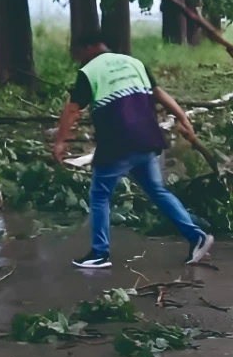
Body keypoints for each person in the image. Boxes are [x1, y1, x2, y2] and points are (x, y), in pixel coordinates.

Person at [52, 33, 214, 269]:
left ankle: (99, 253)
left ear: (89, 47)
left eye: (78, 52)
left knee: (99, 195)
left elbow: (72, 109)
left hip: (117, 142)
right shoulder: (135, 63)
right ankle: (195, 236)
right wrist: (182, 117)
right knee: (157, 191)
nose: (78, 58)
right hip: (147, 138)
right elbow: (160, 94)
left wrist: (59, 142)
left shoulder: (89, 71)